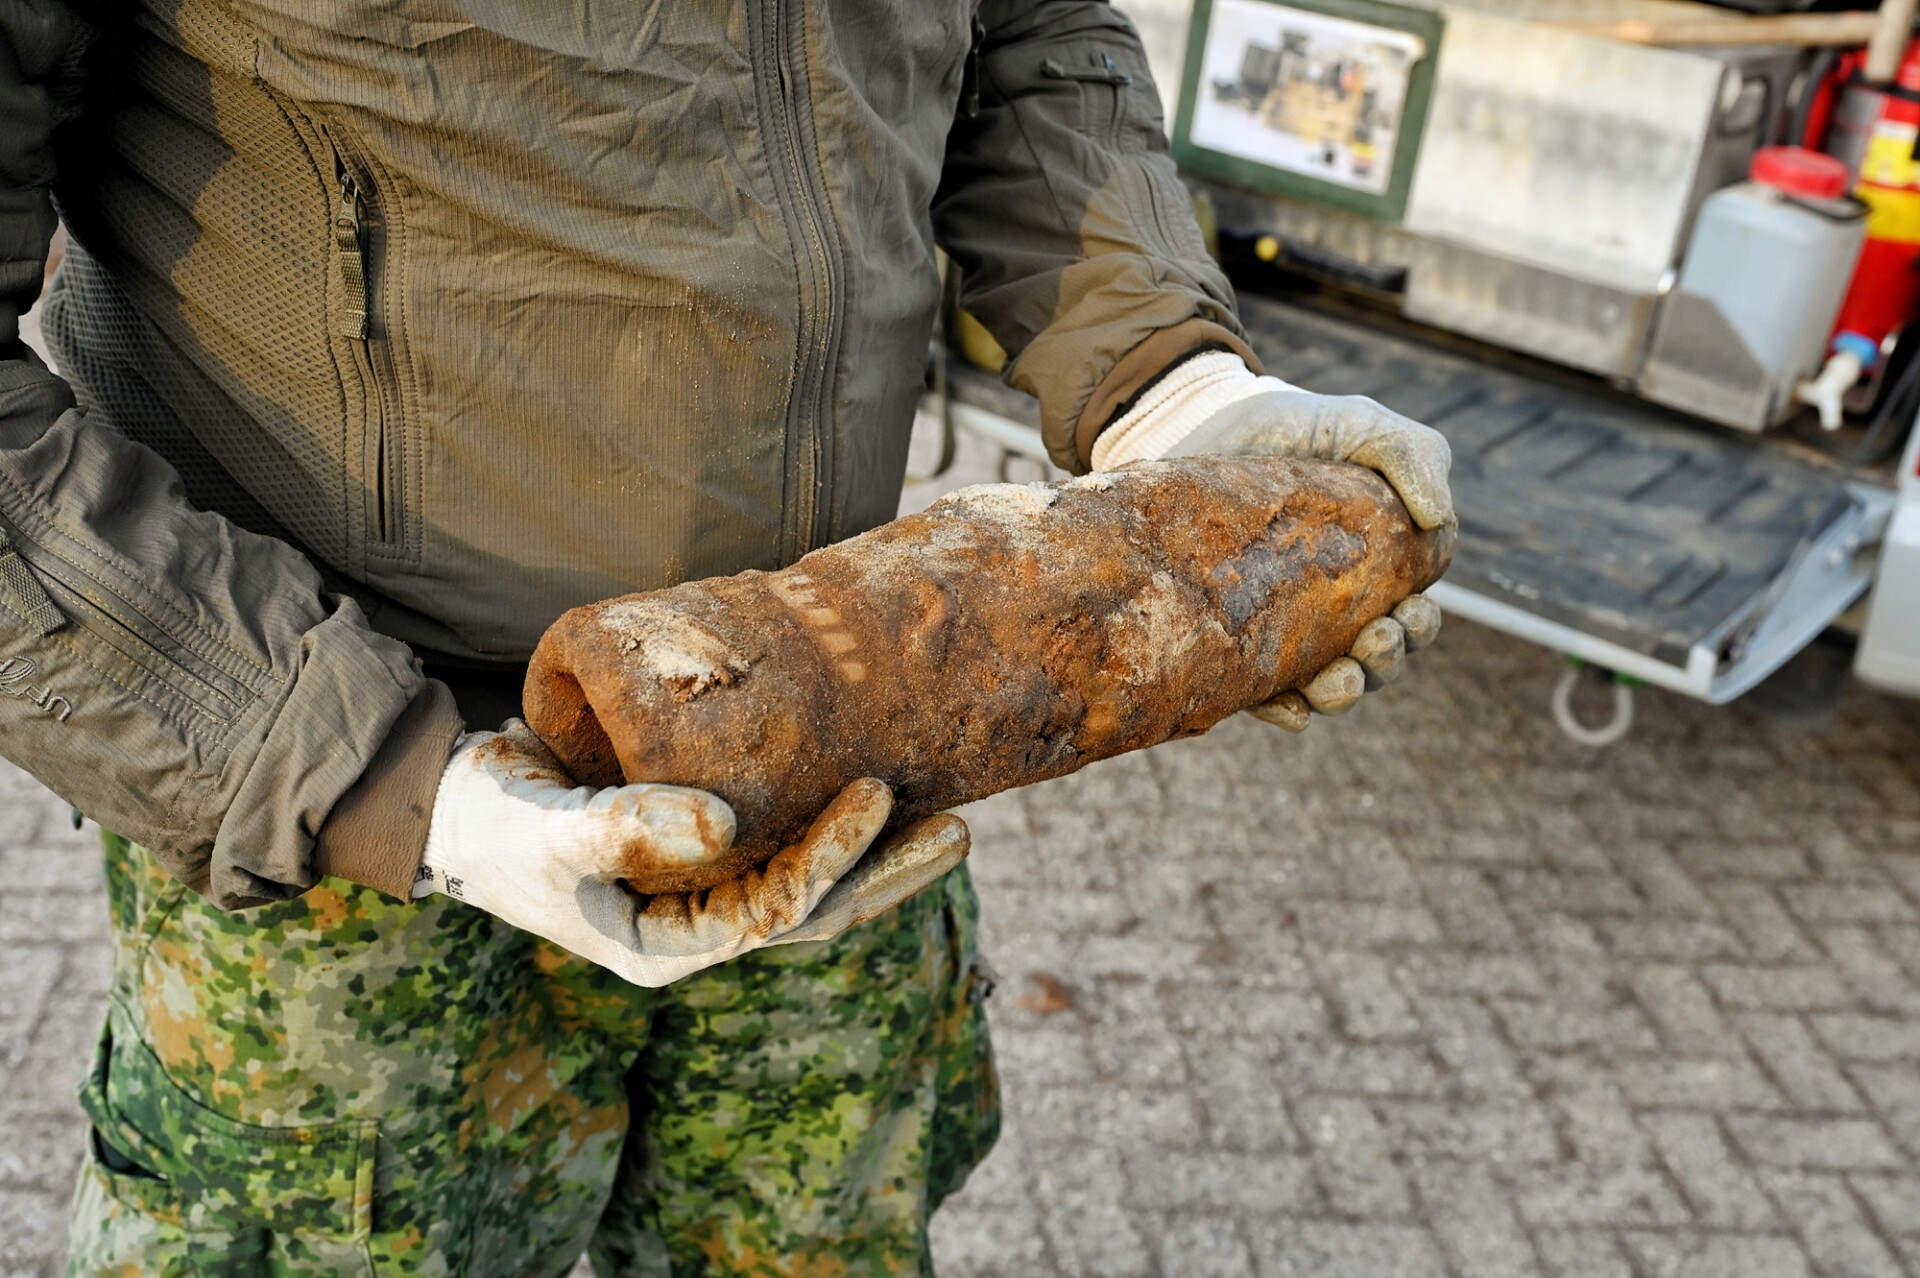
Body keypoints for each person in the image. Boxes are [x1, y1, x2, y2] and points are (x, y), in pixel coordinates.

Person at [0, 0, 1451, 1272]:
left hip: (835, 766)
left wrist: (1165, 379)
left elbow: (1020, 32)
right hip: (346, 830)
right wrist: (368, 781)